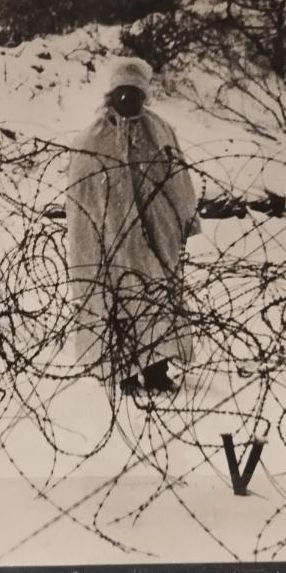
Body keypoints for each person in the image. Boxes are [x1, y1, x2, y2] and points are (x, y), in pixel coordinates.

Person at [65, 57, 199, 395]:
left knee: (156, 301)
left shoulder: (160, 132)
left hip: (156, 235)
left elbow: (178, 178)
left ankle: (156, 370)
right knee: (118, 302)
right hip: (111, 237)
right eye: (122, 93)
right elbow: (80, 193)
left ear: (144, 95)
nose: (128, 100)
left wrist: (185, 217)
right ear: (111, 95)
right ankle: (123, 371)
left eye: (135, 93)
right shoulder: (91, 139)